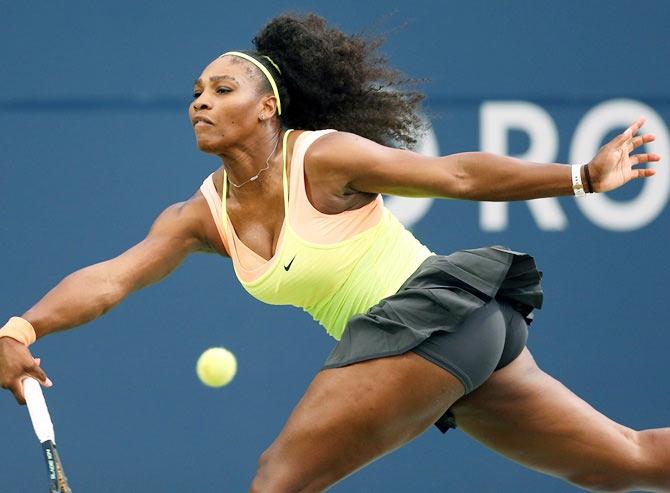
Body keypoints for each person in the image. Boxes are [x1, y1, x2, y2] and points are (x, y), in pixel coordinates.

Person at [0, 12, 668, 492]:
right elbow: (111, 279)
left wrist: (582, 176)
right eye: (196, 93)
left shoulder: (322, 156)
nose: (201, 102)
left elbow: (457, 176)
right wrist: (21, 326)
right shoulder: (197, 215)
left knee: (277, 480)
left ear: (268, 108)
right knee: (621, 462)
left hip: (430, 315)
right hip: (457, 340)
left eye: (222, 90)